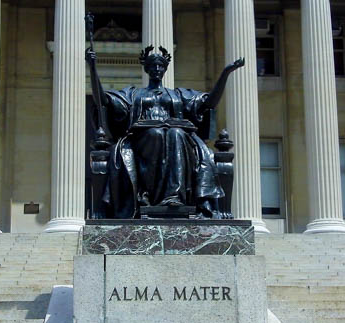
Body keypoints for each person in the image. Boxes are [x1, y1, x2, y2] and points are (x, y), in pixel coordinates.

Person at [86, 44, 244, 218]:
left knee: (175, 134)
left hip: (177, 138)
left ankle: (173, 197)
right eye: (153, 65)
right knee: (156, 133)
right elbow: (102, 99)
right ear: (146, 69)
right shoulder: (134, 94)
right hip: (142, 139)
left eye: (160, 65)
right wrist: (92, 68)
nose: (157, 69)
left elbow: (209, 103)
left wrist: (226, 73)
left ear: (165, 69)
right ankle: (145, 196)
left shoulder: (177, 95)